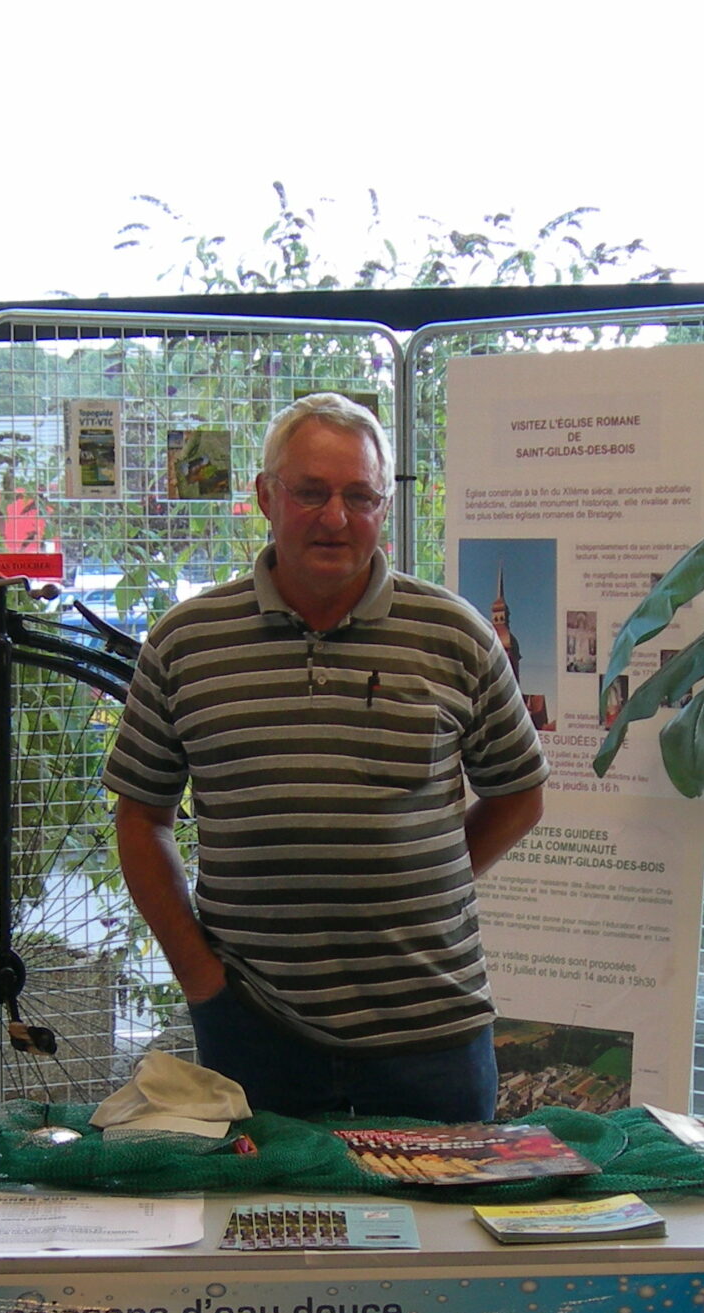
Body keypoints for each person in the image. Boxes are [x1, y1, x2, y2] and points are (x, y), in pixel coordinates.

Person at [107, 393, 546, 1122]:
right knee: (266, 1201)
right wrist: (201, 981)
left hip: (432, 1034)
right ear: (265, 497)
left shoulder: (456, 635)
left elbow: (519, 795)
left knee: (439, 1204)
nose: (336, 518)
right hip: (254, 1034)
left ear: (384, 507)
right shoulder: (186, 643)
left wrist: (425, 891)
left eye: (359, 496)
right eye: (310, 492)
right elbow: (140, 818)